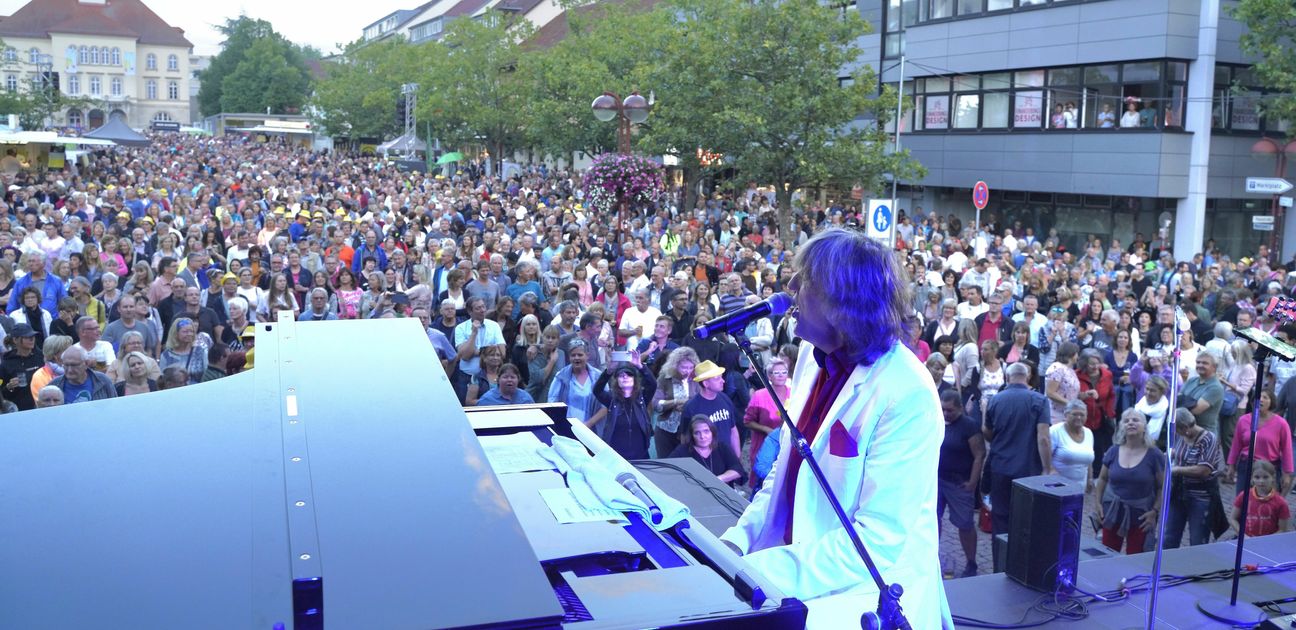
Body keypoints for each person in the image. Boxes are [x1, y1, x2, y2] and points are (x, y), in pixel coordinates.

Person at [720, 228, 950, 628]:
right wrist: (734, 545)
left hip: (862, 602)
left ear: (844, 304)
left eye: (805, 280)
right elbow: (786, 472)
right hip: (794, 574)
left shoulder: (907, 392)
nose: (790, 286)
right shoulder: (812, 353)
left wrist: (756, 573)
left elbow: (876, 543)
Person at [984, 362, 1053, 536]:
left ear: (1007, 377)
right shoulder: (1039, 400)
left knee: (1000, 518)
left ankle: (1000, 559)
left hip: (1000, 466)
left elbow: (987, 432)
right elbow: (1043, 437)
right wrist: (1047, 468)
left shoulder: (995, 400)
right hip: (1028, 469)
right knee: (1026, 520)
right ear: (1027, 377)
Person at [1094, 409, 1166, 554]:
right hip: (1112, 512)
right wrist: (1097, 504)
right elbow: (1102, 479)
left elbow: (1162, 487)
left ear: (1144, 426)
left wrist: (1154, 512)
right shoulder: (1113, 451)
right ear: (1121, 427)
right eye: (1126, 421)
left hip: (1141, 515)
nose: (1131, 423)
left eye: (1135, 420)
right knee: (1107, 555)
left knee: (1135, 559)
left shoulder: (1154, 454)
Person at [938, 389, 985, 578]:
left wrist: (973, 481)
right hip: (939, 480)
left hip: (959, 483)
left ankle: (971, 562)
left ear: (959, 408)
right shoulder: (938, 422)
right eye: (943, 410)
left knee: (965, 524)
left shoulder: (969, 426)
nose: (945, 414)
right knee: (933, 520)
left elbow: (979, 454)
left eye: (950, 411)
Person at [1163, 408, 1224, 549]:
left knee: (1197, 540)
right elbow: (1175, 453)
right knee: (1169, 536)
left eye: (1176, 429)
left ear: (1185, 428)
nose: (1175, 432)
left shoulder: (1209, 439)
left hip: (1200, 497)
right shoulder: (1180, 436)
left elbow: (1203, 470)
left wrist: (1176, 470)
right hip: (1178, 493)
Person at [1225, 389, 1294, 499]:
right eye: (1258, 397)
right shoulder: (1244, 420)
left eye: (1265, 397)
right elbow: (1236, 445)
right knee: (1243, 501)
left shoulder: (1281, 423)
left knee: (1264, 503)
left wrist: (1287, 473)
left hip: (1269, 468)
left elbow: (1287, 449)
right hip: (1246, 465)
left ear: (1271, 402)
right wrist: (1231, 466)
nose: (1261, 400)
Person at [743, 358, 791, 488]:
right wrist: (766, 429)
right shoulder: (759, 395)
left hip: (786, 444)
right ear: (769, 376)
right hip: (762, 446)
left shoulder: (793, 393)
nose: (781, 375)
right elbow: (747, 422)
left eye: (784, 372)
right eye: (777, 373)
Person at [681, 360, 741, 458]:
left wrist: (737, 458)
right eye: (717, 378)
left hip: (727, 457)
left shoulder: (725, 398)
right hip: (705, 460)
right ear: (706, 384)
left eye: (721, 377)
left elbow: (733, 430)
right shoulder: (691, 408)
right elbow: (685, 439)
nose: (723, 381)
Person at [669, 415, 746, 487]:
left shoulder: (722, 447)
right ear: (692, 435)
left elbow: (738, 469)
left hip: (721, 491)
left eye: (706, 431)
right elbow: (667, 468)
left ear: (712, 432)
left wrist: (718, 479)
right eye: (697, 433)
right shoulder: (682, 451)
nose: (702, 436)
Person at [1229, 460, 1291, 537]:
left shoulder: (1281, 502)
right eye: (1257, 477)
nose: (1261, 481)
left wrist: (1264, 541)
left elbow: (1282, 529)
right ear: (1252, 478)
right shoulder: (1244, 496)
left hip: (1268, 544)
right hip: (1247, 540)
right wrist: (1243, 536)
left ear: (1273, 478)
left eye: (1265, 477)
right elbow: (1232, 519)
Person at [1050, 400, 1095, 491]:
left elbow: (1089, 459)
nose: (1078, 417)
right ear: (1066, 415)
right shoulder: (1055, 431)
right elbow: (1044, 457)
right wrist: (1051, 472)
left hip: (1080, 487)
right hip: (1058, 486)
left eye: (1082, 415)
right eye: (1074, 414)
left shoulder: (1089, 433)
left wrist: (1090, 478)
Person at [49, 345, 117, 404]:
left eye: (74, 365)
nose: (69, 370)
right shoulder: (54, 386)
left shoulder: (102, 381)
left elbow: (114, 406)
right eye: (66, 365)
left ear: (86, 364)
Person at [0, 322, 43, 410]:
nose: (32, 339)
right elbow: (1, 391)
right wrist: (9, 387)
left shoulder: (41, 357)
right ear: (15, 340)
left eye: (33, 336)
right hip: (19, 411)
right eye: (27, 337)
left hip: (42, 407)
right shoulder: (6, 363)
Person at [1045, 342, 1081, 424]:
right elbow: (1050, 392)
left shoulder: (1070, 370)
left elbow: (1071, 392)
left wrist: (1085, 394)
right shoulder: (1057, 368)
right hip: (1055, 415)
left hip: (1067, 414)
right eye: (1076, 353)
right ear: (1071, 354)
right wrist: (1069, 403)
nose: (1077, 357)